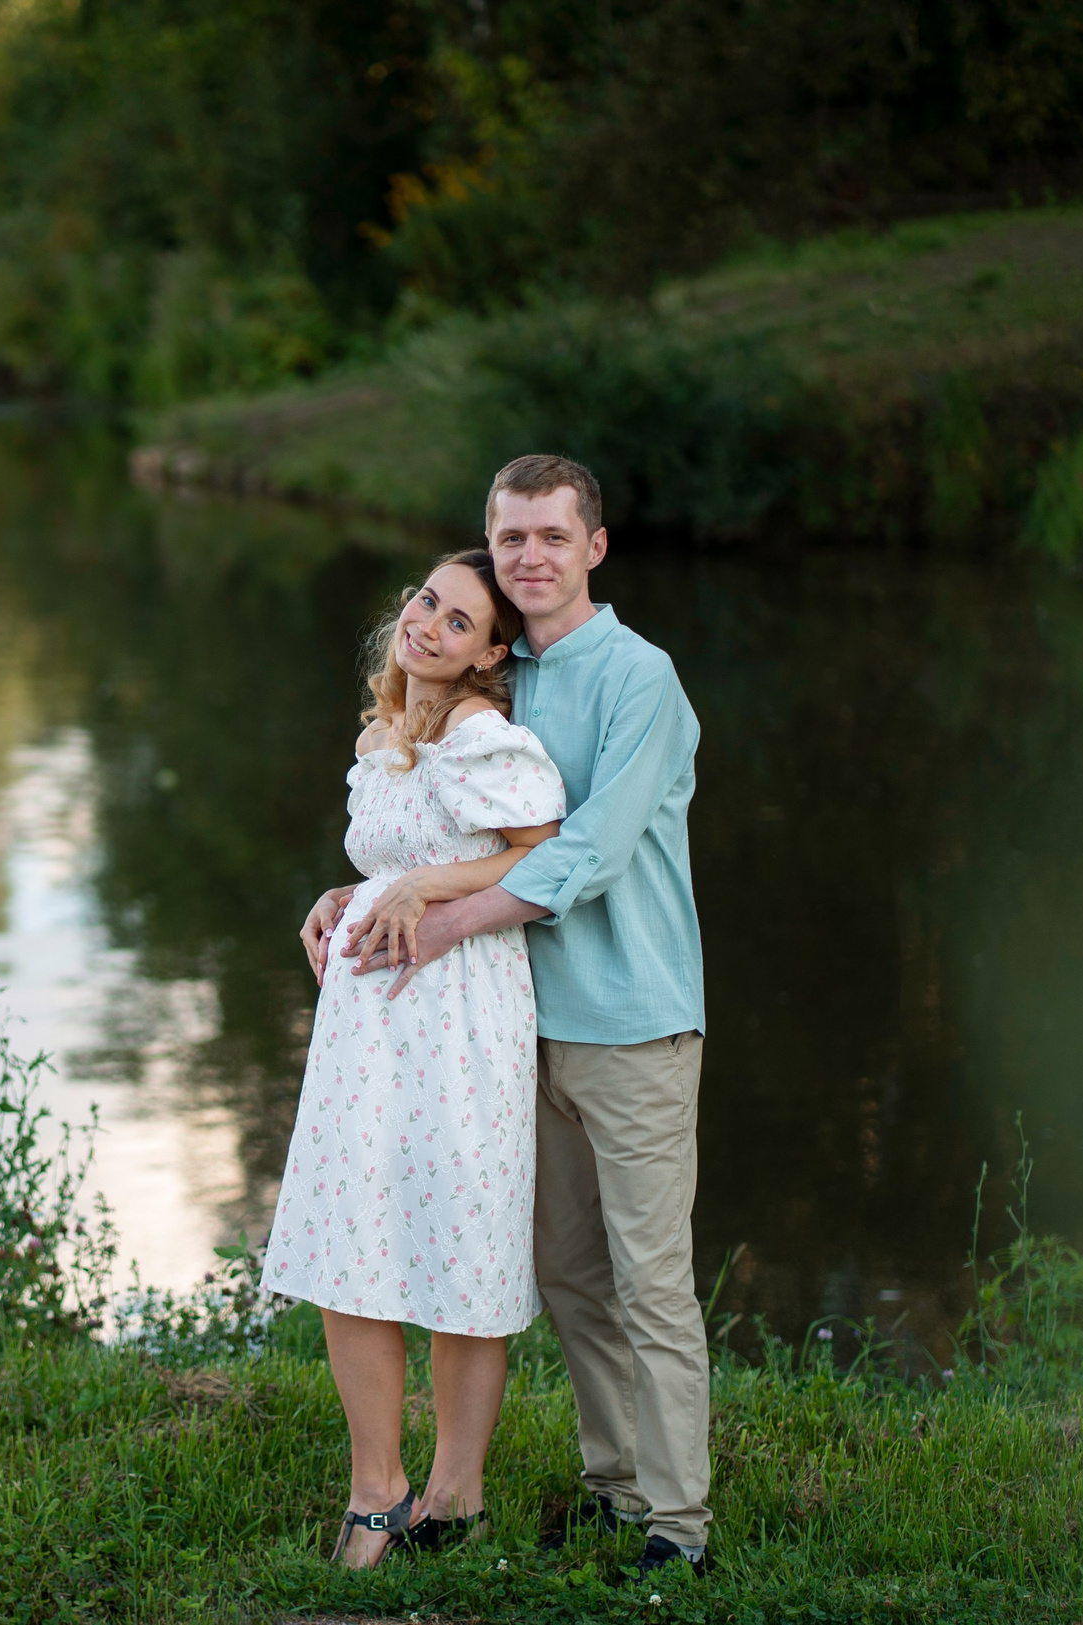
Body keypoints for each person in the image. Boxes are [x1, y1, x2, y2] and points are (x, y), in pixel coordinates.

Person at [324, 455, 711, 1584]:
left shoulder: (643, 678)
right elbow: (437, 837)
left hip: (631, 1016)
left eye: (550, 535)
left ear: (594, 545)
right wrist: (350, 896)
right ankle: (613, 1486)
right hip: (509, 1026)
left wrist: (448, 919)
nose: (528, 556)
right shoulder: (502, 671)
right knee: (572, 1277)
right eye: (509, 538)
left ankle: (677, 1524)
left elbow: (584, 846)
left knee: (649, 1277)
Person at [262, 548, 568, 1569]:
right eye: (425, 601)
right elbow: (391, 859)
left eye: (456, 619)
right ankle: (375, 1487)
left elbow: (541, 849)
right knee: (354, 1246)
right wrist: (342, 894)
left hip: (459, 1016)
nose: (427, 623)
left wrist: (427, 883)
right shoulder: (390, 731)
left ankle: (456, 1491)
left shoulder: (488, 738)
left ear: (489, 651)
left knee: (459, 1245)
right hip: (366, 1026)